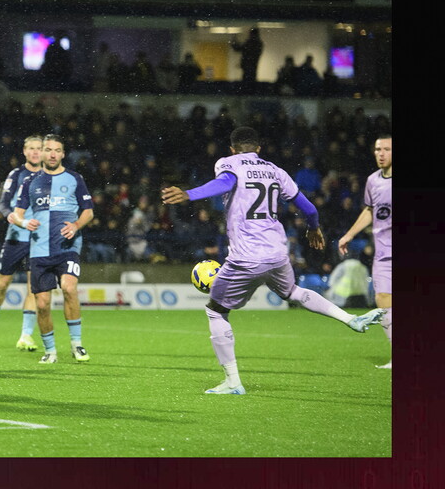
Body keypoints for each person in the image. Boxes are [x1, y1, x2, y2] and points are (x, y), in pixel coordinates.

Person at [160, 126, 386, 395]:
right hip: (278, 253)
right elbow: (310, 208)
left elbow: (225, 182)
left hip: (246, 256)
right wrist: (314, 227)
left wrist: (190, 194)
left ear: (232, 149)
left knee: (216, 311)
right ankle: (350, 319)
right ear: (259, 148)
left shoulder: (227, 163)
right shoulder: (276, 171)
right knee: (293, 292)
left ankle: (233, 382)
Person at [9, 134, 95, 364]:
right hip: (39, 249)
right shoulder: (30, 182)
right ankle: (50, 351)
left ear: (63, 153)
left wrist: (76, 225)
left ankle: (77, 344)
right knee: (43, 304)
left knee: (68, 287)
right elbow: (16, 214)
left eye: (57, 150)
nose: (53, 154)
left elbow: (88, 211)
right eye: (48, 150)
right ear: (43, 153)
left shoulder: (75, 178)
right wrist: (25, 222)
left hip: (67, 246)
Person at [0, 135, 44, 351]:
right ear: (25, 151)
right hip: (16, 238)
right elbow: (4, 204)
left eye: (39, 148)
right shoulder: (17, 175)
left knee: (33, 288)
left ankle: (26, 335)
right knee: (1, 285)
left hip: (39, 240)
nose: (35, 152)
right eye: (32, 148)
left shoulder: (50, 177)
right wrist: (13, 217)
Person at [338, 134, 392, 369]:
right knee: (383, 301)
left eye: (387, 149)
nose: (381, 153)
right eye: (378, 149)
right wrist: (349, 234)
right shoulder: (373, 180)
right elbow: (370, 210)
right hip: (383, 252)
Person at [230, 28, 263, 92]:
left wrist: (233, 40)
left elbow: (238, 48)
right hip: (252, 65)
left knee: (247, 80)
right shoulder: (258, 43)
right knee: (251, 79)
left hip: (248, 65)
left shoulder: (252, 43)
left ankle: (247, 92)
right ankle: (250, 91)